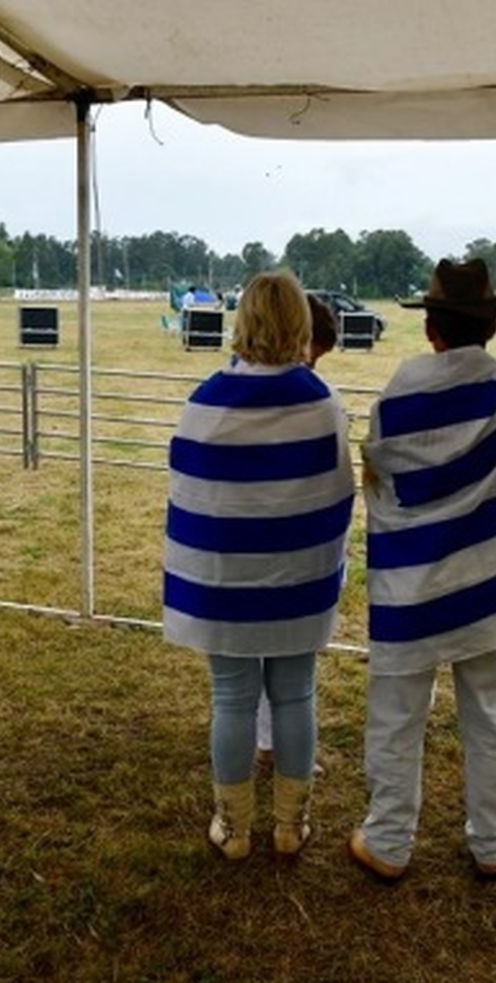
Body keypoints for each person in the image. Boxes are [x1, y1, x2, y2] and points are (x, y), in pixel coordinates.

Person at [350, 258, 496, 881]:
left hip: (413, 585)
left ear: (431, 329)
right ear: (491, 329)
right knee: (491, 712)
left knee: (396, 713)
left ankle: (389, 842)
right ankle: (494, 843)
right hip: (490, 586)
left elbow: (383, 478)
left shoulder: (399, 398)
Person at [164, 271, 355, 860]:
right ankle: (291, 827)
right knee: (296, 695)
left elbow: (193, 496)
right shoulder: (322, 404)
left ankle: (235, 829)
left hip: (225, 586)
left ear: (242, 321)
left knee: (231, 698)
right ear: (300, 323)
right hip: (298, 583)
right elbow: (338, 495)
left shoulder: (206, 402)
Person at [254, 292, 342, 765]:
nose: (314, 368)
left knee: (262, 670)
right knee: (284, 675)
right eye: (314, 355)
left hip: (265, 550)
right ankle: (269, 745)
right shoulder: (310, 401)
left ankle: (267, 742)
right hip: (278, 550)